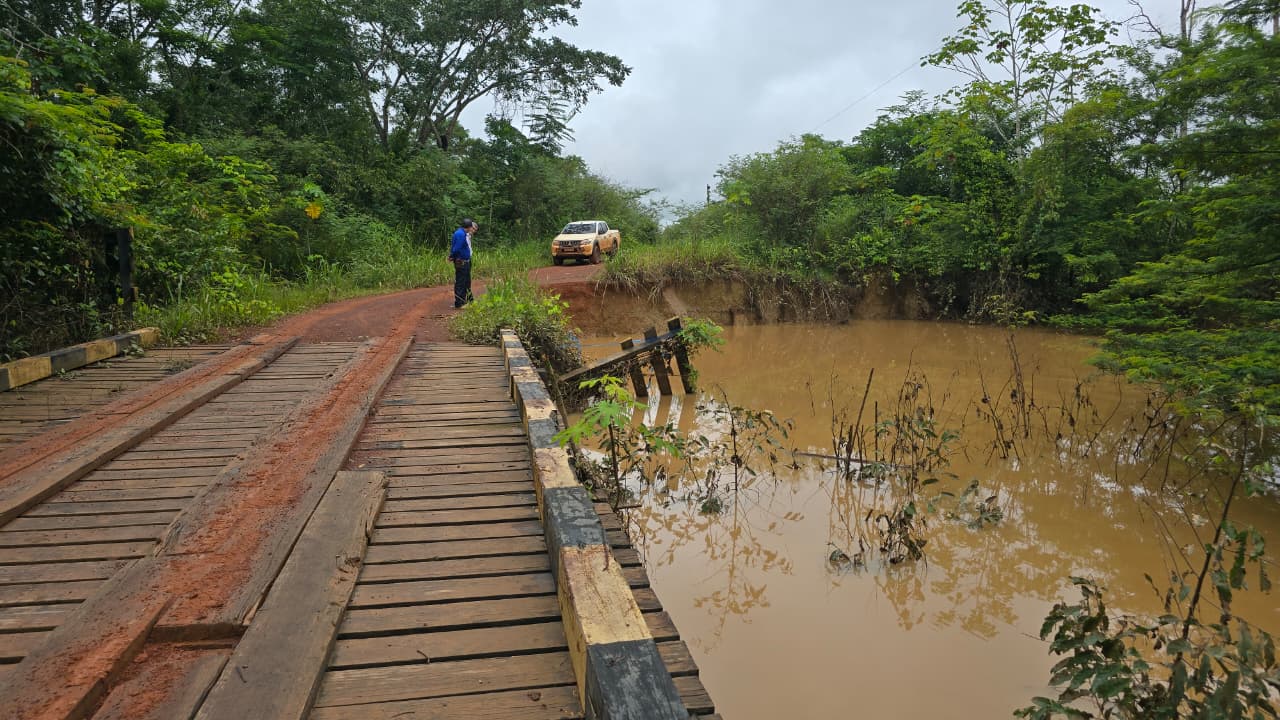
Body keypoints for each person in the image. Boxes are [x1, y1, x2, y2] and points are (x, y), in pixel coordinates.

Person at [449, 218, 477, 308]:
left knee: (464, 281)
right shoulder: (461, 234)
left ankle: (463, 301)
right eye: (471, 227)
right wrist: (452, 256)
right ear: (468, 227)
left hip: (463, 261)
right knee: (461, 282)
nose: (472, 229)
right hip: (461, 261)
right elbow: (457, 248)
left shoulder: (459, 233)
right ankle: (459, 303)